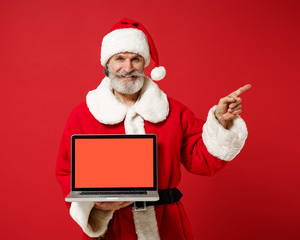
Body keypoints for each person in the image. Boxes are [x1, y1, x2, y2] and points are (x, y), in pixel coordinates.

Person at [56, 18, 251, 240]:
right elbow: (66, 171)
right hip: (112, 229)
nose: (127, 68)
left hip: (166, 226)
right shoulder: (83, 115)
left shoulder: (174, 111)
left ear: (146, 64)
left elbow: (203, 162)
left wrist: (220, 121)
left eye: (135, 59)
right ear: (107, 64)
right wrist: (95, 206)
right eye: (120, 58)